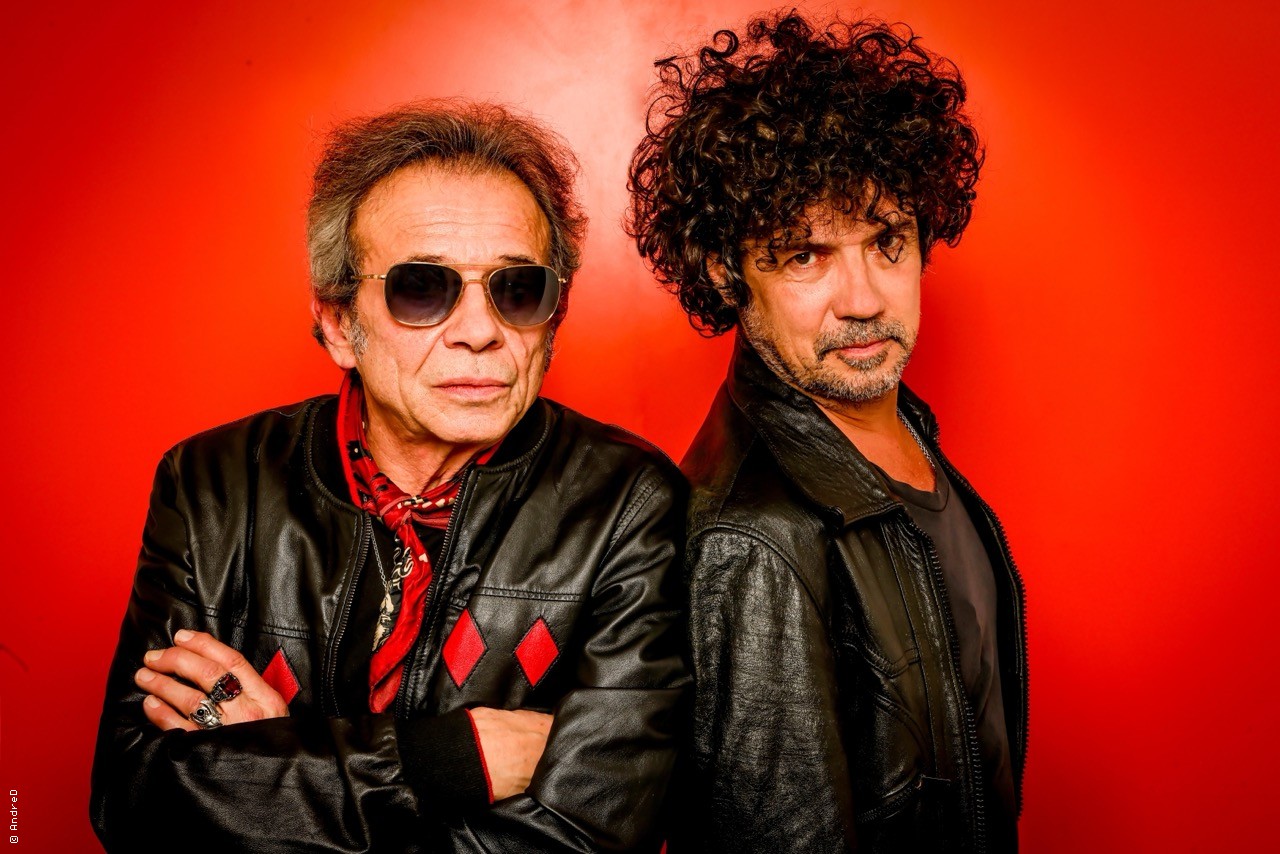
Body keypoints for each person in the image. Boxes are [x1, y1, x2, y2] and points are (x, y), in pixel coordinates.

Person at [92, 101, 688, 852]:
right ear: (340, 325)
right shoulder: (213, 483)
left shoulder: (629, 501)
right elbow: (133, 799)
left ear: (554, 323)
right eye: (422, 289)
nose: (481, 332)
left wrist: (277, 764)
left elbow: (591, 833)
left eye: (518, 289)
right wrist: (448, 761)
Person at [628, 13, 1027, 853]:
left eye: (887, 242)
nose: (864, 300)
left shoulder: (902, 430)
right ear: (725, 270)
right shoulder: (752, 540)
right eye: (805, 255)